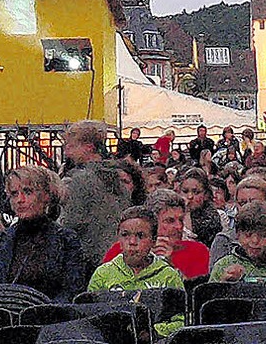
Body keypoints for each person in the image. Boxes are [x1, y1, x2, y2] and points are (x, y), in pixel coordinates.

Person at [0, 166, 85, 302]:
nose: (20, 200)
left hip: (50, 318)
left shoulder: (66, 240)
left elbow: (72, 292)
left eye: (28, 192)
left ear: (46, 196)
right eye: (14, 194)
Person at [87, 206, 185, 338]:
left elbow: (182, 321)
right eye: (125, 235)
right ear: (118, 239)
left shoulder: (168, 275)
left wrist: (153, 332)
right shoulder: (103, 274)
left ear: (153, 240)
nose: (132, 242)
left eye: (140, 236)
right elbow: (89, 318)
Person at [59, 120, 130, 271]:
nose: (67, 152)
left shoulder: (81, 180)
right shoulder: (117, 177)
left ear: (89, 147)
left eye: (72, 146)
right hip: (117, 255)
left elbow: (68, 222)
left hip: (90, 259)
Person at [103, 188, 209, 280]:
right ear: (151, 223)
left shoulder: (197, 251)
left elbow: (195, 294)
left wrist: (168, 264)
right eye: (170, 221)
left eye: (181, 220)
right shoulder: (121, 249)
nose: (179, 226)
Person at [209, 177, 266, 268]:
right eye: (242, 203)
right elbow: (214, 280)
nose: (248, 207)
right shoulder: (224, 240)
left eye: (255, 202)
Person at [209, 202, 266, 282]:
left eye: (263, 236)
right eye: (248, 235)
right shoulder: (224, 265)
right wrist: (224, 282)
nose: (255, 241)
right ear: (237, 235)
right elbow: (211, 299)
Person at [178, 168, 221, 248]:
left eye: (196, 192)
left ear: (206, 195)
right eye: (185, 191)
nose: (189, 196)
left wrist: (187, 212)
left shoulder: (211, 217)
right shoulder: (173, 212)